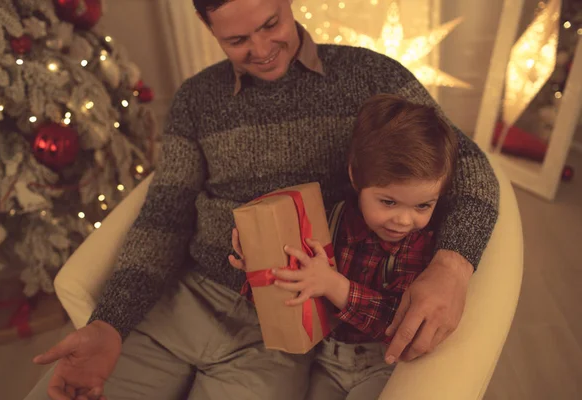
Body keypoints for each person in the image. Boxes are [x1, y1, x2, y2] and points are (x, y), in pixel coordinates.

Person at [25, 0, 499, 399]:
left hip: (284, 324)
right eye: (236, 40)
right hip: (183, 304)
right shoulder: (197, 100)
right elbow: (163, 218)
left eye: (271, 24)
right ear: (209, 29)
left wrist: (453, 266)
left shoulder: (371, 76)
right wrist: (110, 323)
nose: (262, 49)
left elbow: (469, 167)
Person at [229, 93, 459, 399]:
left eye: (422, 206)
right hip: (323, 357)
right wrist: (263, 265)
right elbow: (294, 296)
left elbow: (395, 322)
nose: (404, 220)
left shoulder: (418, 244)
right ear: (355, 177)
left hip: (382, 363)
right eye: (388, 201)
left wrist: (333, 284)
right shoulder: (329, 221)